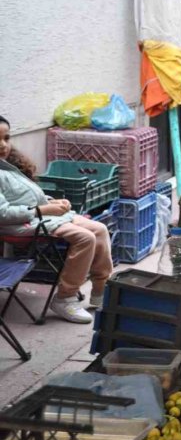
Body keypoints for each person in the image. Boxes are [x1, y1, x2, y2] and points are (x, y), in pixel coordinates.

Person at [0, 116, 112, 324]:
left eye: (6, 138)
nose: (3, 145)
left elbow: (27, 196)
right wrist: (43, 210)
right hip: (19, 225)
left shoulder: (6, 166)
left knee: (99, 229)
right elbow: (3, 213)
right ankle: (64, 298)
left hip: (40, 216)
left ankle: (100, 291)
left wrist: (53, 202)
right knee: (85, 238)